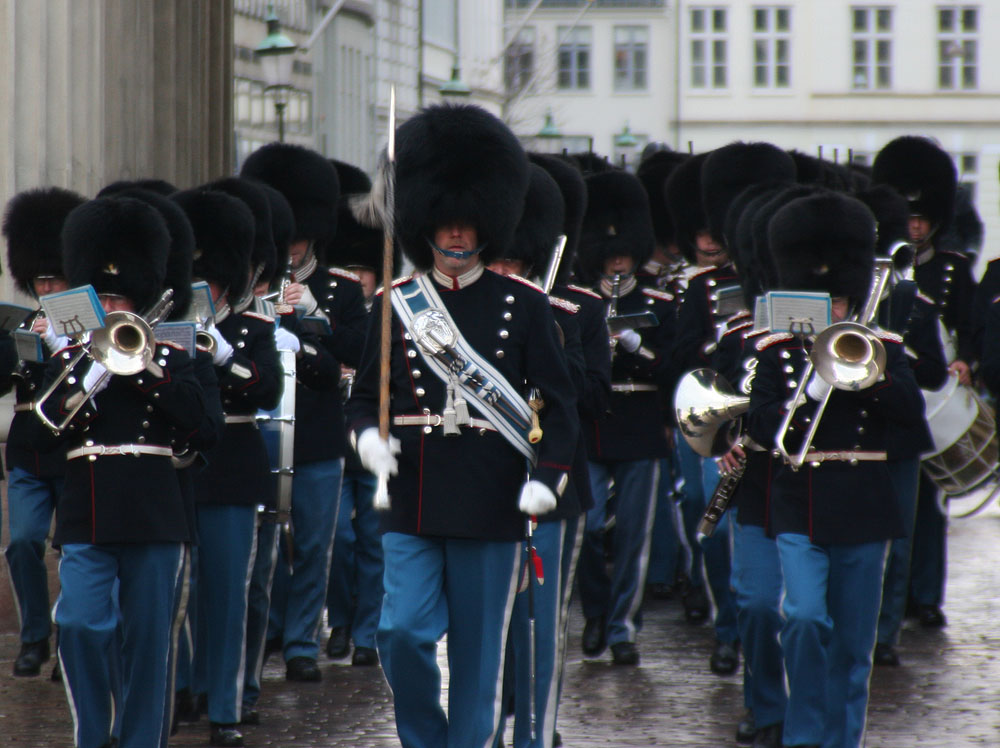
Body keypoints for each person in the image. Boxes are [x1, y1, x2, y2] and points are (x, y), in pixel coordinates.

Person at [345, 102, 579, 748]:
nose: (453, 235)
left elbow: (558, 407)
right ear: (425, 225)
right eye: (443, 223)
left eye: (465, 223)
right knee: (401, 633)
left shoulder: (525, 307)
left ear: (486, 224)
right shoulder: (396, 306)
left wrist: (548, 479)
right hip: (413, 494)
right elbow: (365, 397)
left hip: (491, 496)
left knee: (479, 667)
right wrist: (367, 437)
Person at [747, 191, 924, 748]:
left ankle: (841, 740)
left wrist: (869, 377)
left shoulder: (884, 348)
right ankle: (803, 737)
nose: (836, 312)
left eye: (843, 301)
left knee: (852, 644)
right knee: (800, 618)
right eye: (827, 302)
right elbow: (760, 425)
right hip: (800, 498)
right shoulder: (777, 350)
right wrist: (811, 389)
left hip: (864, 502)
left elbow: (911, 421)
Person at [40, 195, 206, 748]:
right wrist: (85, 364)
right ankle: (94, 733)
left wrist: (144, 368)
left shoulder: (176, 358)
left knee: (149, 643)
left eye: (120, 297)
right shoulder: (71, 362)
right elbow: (43, 427)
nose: (110, 306)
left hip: (155, 512)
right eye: (102, 296)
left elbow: (205, 429)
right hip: (88, 508)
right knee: (83, 625)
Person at [241, 143, 369, 683]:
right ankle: (269, 628)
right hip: (264, 432)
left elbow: (357, 351)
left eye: (296, 236)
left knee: (316, 541)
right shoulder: (254, 287)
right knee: (265, 541)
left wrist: (314, 322)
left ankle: (301, 642)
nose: (289, 246)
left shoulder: (337, 289)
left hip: (317, 431)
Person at [172, 186, 283, 748]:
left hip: (233, 466)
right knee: (177, 591)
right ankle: (182, 687)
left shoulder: (255, 332)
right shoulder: (162, 333)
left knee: (228, 592)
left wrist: (223, 355)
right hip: (179, 468)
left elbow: (267, 391)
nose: (203, 293)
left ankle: (226, 703)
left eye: (210, 282)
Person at [573, 166, 676, 667]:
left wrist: (637, 347)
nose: (617, 260)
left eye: (624, 252)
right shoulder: (579, 303)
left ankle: (622, 627)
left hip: (638, 421)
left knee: (634, 535)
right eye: (608, 252)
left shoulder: (657, 301)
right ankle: (594, 612)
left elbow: (675, 364)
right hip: (593, 422)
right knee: (589, 527)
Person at [872, 135, 975, 629]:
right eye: (907, 219)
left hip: (935, 390)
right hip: (893, 387)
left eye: (921, 219)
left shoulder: (953, 271)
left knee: (929, 505)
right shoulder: (875, 271)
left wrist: (967, 363)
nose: (914, 227)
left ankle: (925, 595)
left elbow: (972, 325)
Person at [1, 187, 85, 677]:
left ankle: (69, 633)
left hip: (73, 448)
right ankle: (34, 636)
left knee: (75, 548)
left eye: (56, 280)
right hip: (30, 449)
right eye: (41, 282)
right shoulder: (24, 324)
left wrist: (64, 348)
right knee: (25, 542)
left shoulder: (88, 330)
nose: (48, 290)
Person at [323, 159, 388, 667]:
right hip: (333, 431)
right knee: (338, 539)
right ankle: (340, 620)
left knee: (372, 537)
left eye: (361, 270)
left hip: (378, 432)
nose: (355, 278)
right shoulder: (327, 300)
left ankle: (366, 632)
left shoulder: (391, 305)